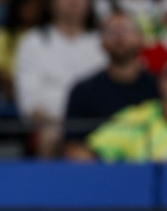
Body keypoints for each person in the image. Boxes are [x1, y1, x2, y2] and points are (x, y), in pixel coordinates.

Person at [14, 0, 107, 157]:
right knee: (52, 135)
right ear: (49, 1)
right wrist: (63, 124)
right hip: (51, 125)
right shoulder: (33, 41)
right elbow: (29, 103)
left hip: (98, 124)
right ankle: (44, 184)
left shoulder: (103, 41)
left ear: (89, 1)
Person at [64, 11, 159, 158]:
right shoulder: (83, 90)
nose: (120, 37)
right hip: (100, 171)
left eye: (126, 30)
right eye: (112, 32)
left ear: (140, 38)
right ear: (101, 42)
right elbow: (72, 145)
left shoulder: (160, 87)